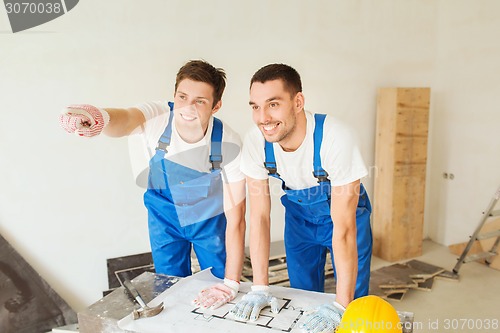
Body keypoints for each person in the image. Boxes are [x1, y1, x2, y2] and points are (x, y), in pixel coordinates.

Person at [59, 60, 246, 309]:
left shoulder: (228, 142)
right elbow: (125, 119)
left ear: (216, 106)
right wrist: (100, 118)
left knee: (220, 286)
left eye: (200, 101)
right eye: (182, 96)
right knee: (168, 289)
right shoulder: (157, 116)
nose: (187, 108)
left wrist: (231, 283)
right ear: (174, 94)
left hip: (208, 224)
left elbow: (237, 219)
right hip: (165, 220)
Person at [230, 63, 372, 332]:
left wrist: (342, 305)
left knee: (354, 303)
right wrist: (260, 287)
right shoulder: (255, 143)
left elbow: (343, 229)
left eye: (273, 104)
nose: (263, 118)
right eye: (255, 106)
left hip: (344, 217)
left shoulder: (336, 138)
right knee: (303, 297)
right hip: (299, 220)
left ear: (298, 102)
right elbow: (259, 216)